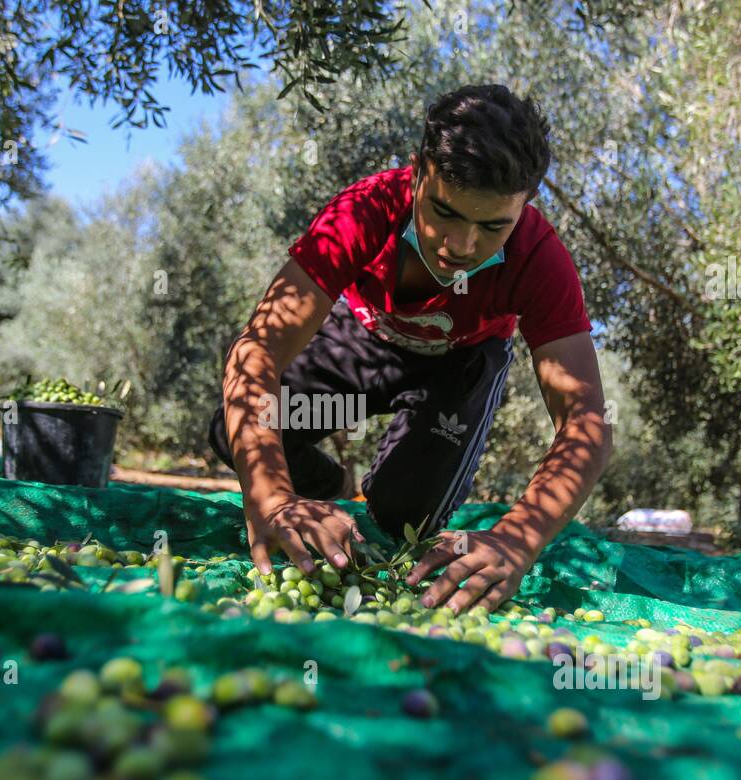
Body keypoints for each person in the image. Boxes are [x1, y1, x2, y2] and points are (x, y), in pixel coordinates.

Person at [209, 84, 612, 613]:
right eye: (444, 212)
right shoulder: (364, 210)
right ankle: (329, 485)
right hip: (358, 340)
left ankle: (377, 497)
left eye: (493, 226)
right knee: (234, 432)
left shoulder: (541, 259)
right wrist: (273, 496)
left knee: (404, 522)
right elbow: (257, 351)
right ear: (419, 170)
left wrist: (516, 539)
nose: (461, 247)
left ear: (526, 203)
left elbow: (586, 425)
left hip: (457, 366)